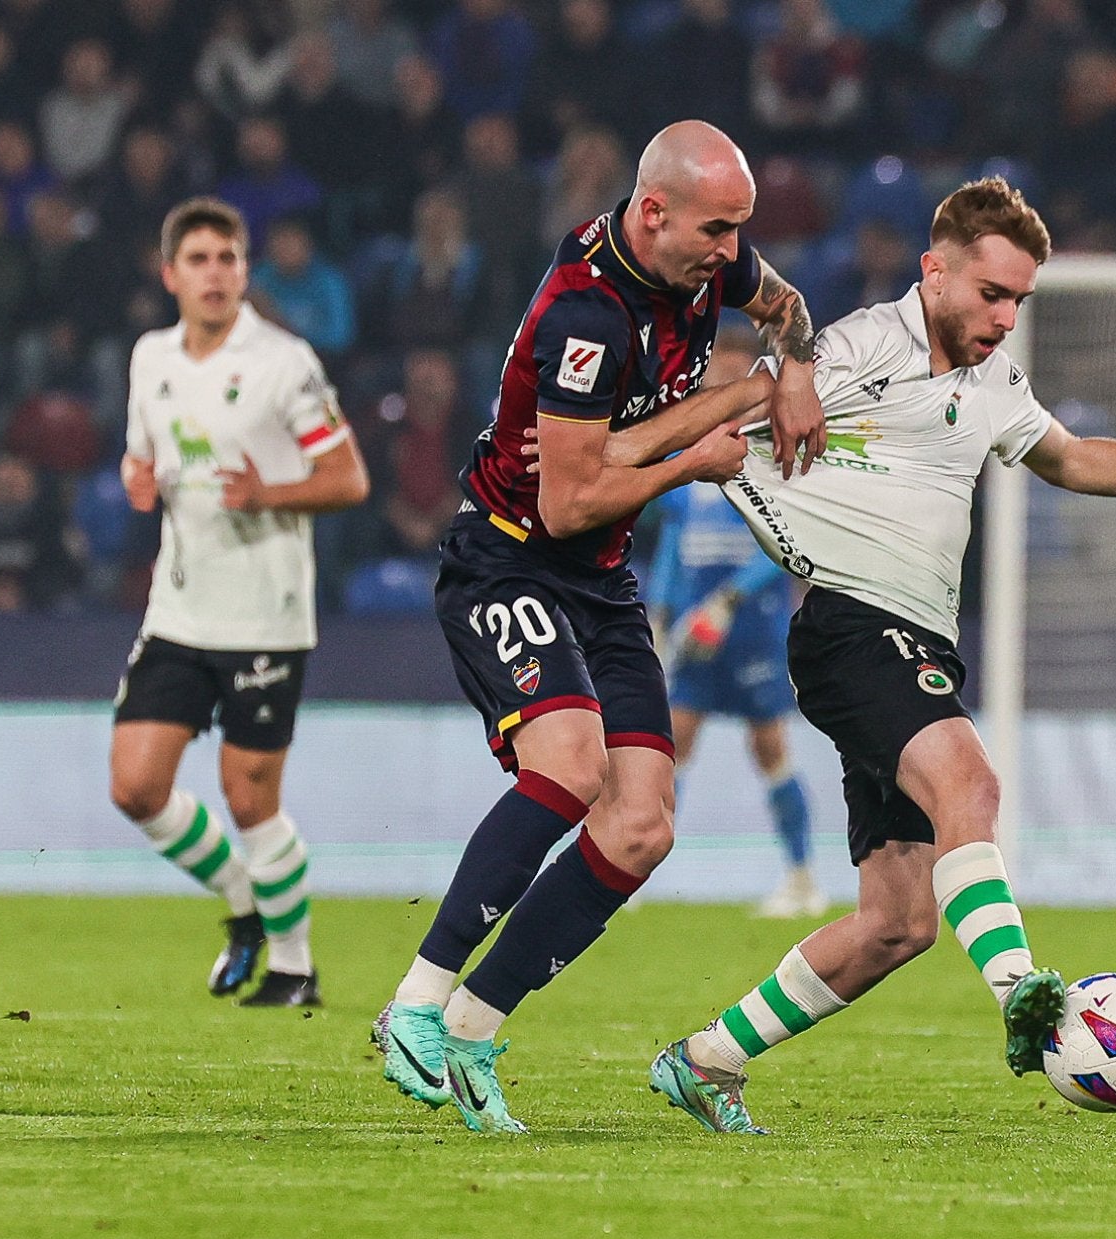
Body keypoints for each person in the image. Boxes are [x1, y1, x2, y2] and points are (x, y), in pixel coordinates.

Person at [645, 177, 1116, 1133]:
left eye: (1019, 301)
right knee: (973, 783)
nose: (1004, 318)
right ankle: (1023, 996)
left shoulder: (993, 379)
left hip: (915, 637)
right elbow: (733, 412)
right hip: (853, 625)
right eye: (991, 294)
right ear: (935, 271)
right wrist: (628, 461)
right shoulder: (863, 347)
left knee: (898, 922)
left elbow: (1071, 457)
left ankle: (706, 1059)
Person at [369, 120, 828, 1135]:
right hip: (509, 553)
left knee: (642, 823)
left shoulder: (711, 257)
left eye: (739, 231)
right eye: (717, 229)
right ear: (652, 210)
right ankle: (415, 1001)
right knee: (572, 766)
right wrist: (705, 442)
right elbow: (571, 502)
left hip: (603, 578)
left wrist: (787, 373)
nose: (732, 250)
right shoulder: (588, 314)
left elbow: (789, 308)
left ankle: (477, 1028)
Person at [108, 197, 370, 1008]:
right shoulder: (150, 357)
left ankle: (295, 967)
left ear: (244, 271)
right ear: (170, 274)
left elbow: (350, 479)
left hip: (265, 612)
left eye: (228, 258)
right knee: (135, 787)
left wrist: (268, 493)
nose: (215, 274)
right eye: (200, 260)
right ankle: (245, 902)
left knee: (251, 796)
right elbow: (139, 458)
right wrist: (136, 480)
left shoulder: (284, 362)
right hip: (180, 610)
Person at [640, 328, 823, 919]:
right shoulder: (688, 445)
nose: (728, 382)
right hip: (693, 624)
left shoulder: (774, 450)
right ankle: (634, 871)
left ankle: (801, 879)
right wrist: (661, 607)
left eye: (740, 373)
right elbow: (674, 536)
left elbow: (783, 547)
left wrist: (728, 602)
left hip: (750, 625)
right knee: (672, 743)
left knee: (768, 745)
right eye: (720, 369)